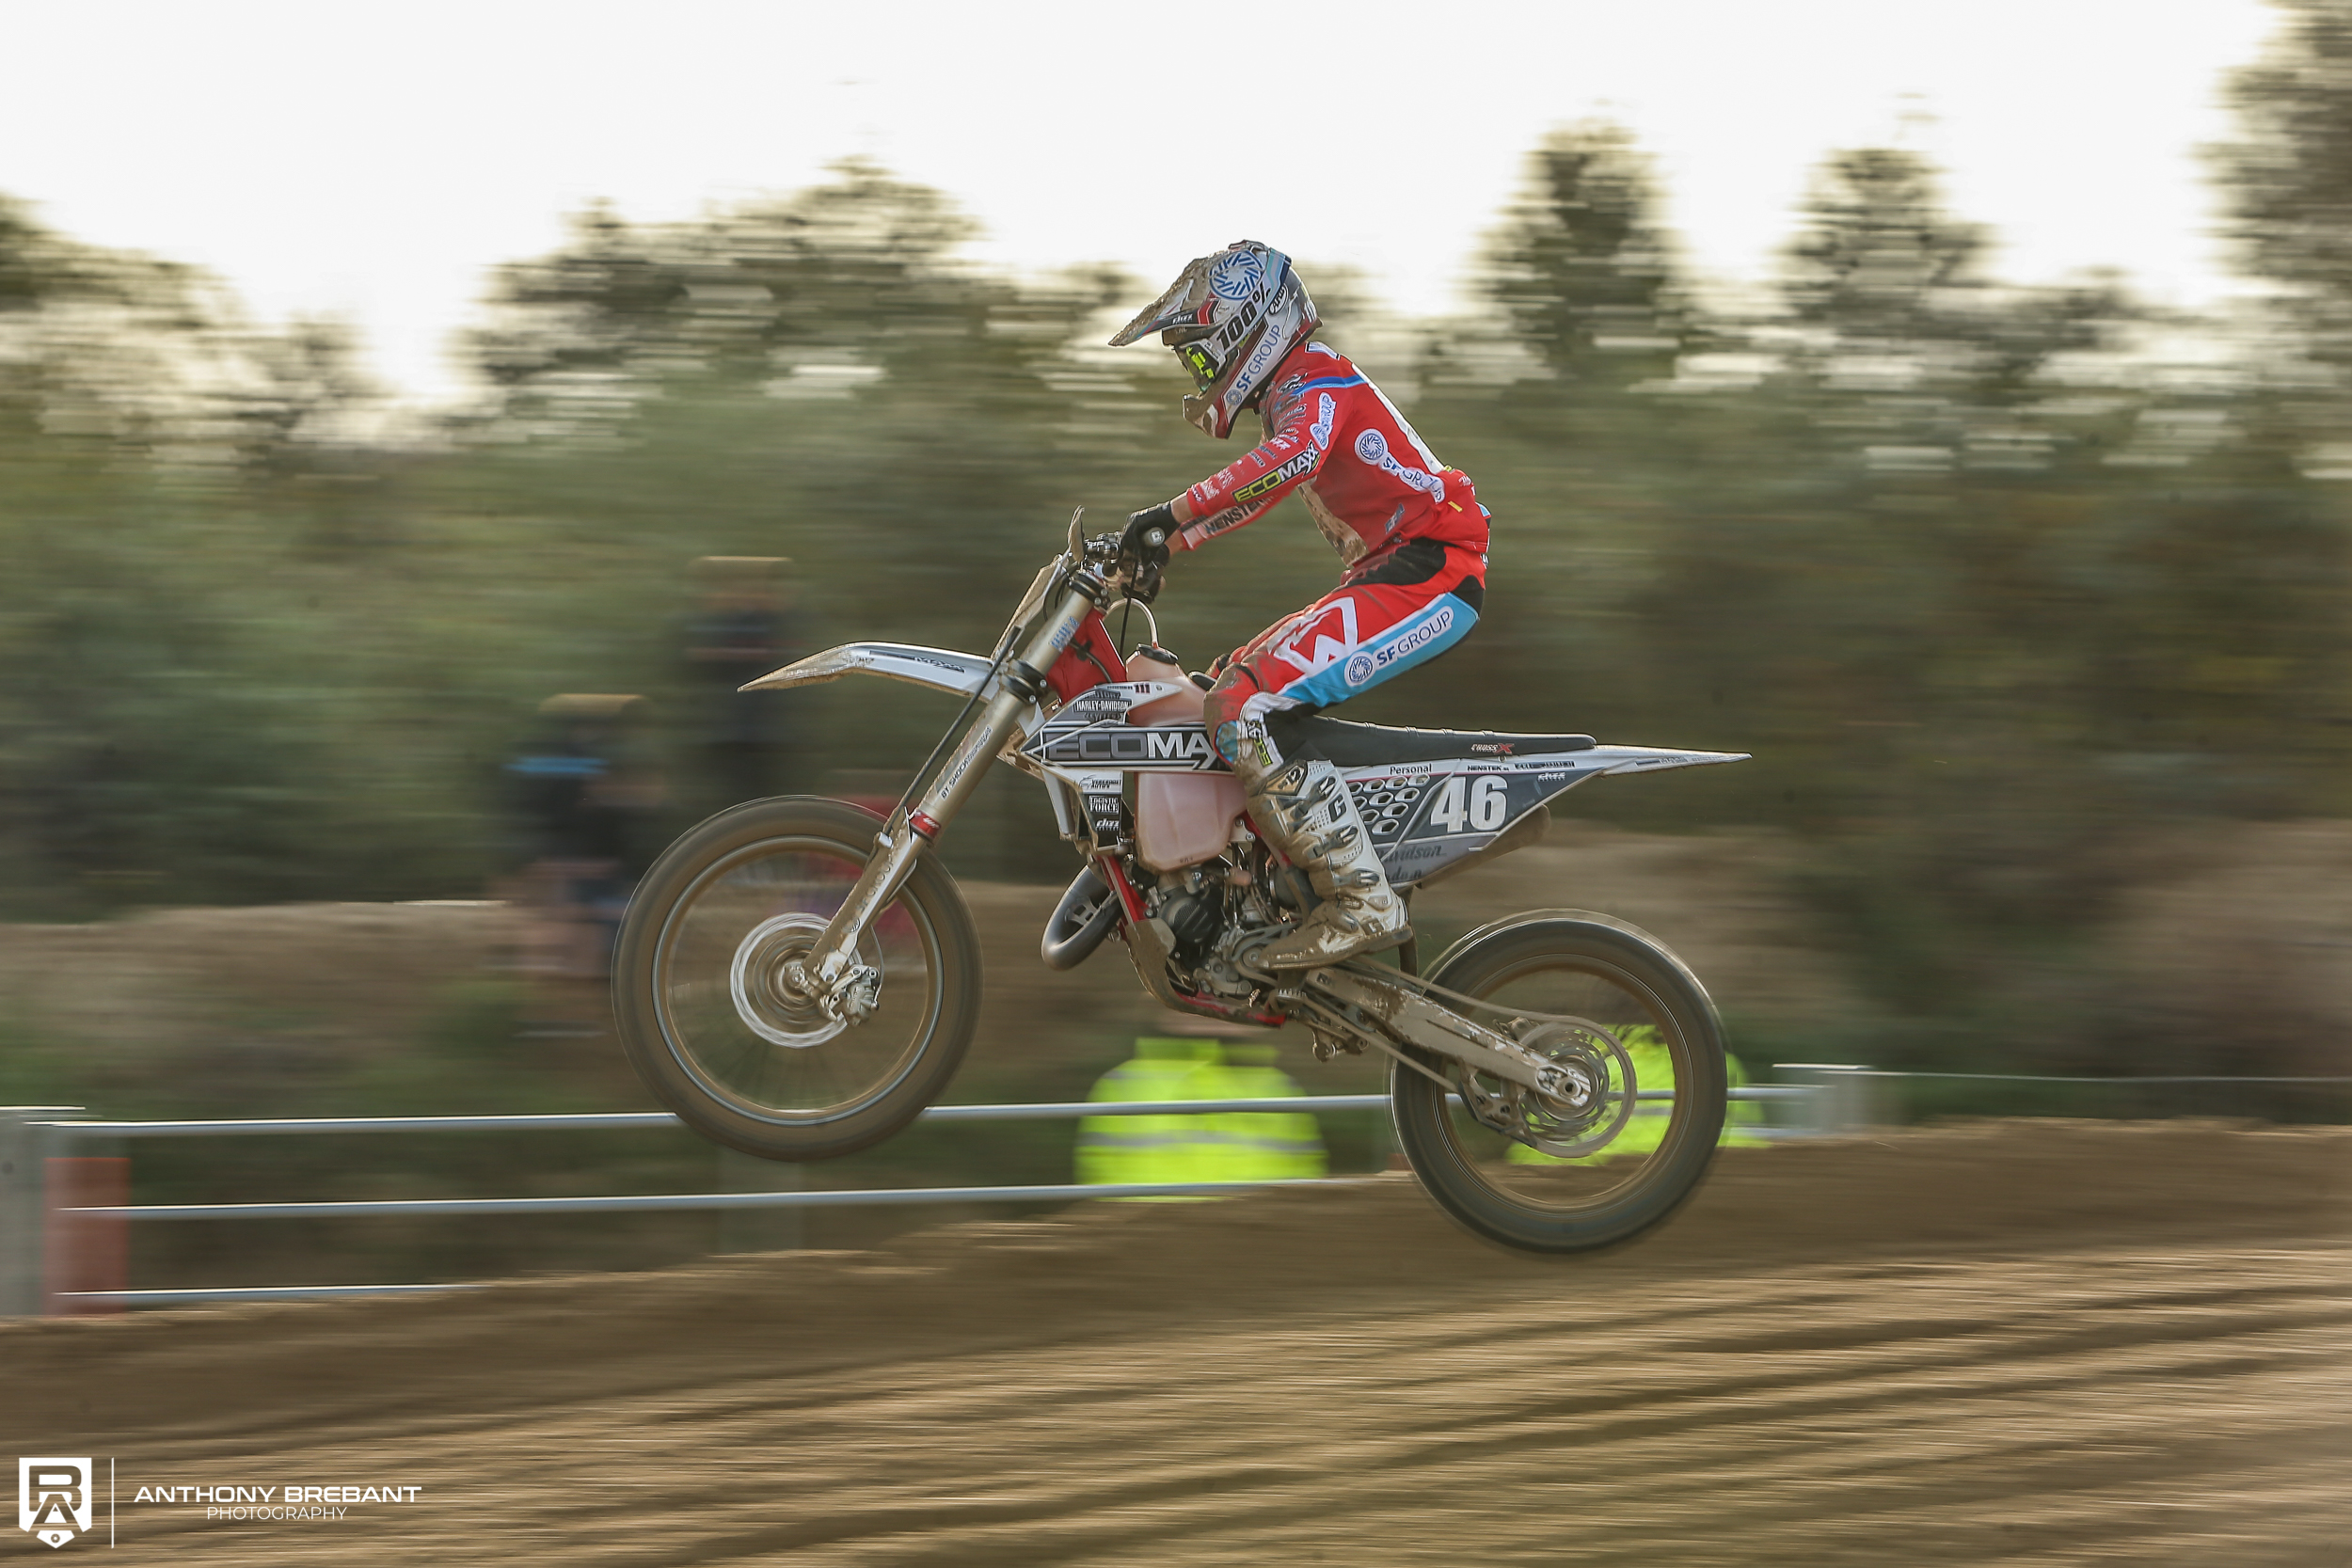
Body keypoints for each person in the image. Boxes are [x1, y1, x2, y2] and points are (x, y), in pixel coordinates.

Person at [1110, 241, 1489, 970]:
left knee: (1242, 705)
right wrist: (1169, 542)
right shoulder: (1295, 390)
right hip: (1390, 572)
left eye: (1200, 357)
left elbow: (1294, 459)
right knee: (1219, 687)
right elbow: (1270, 482)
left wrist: (1171, 513)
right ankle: (1263, 883)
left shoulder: (1317, 375)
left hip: (1432, 571)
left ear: (1245, 328)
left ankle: (1360, 896)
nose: (1199, 374)